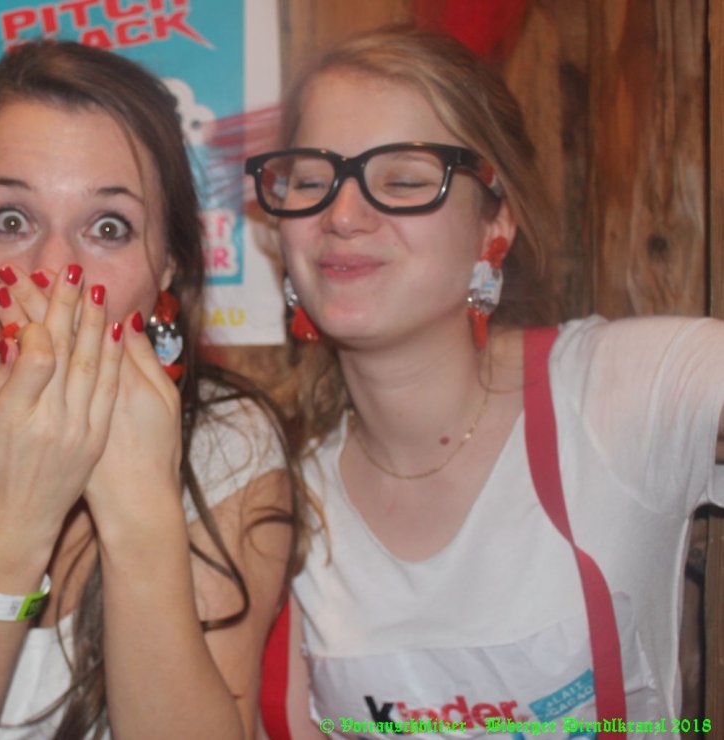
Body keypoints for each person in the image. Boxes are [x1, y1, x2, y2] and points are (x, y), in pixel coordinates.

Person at [0, 40, 298, 739]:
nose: (54, 269)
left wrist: (140, 515)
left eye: (108, 227)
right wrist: (14, 521)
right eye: (11, 220)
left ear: (166, 266)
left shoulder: (230, 441)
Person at [245, 25, 724, 738]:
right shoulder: (277, 487)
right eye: (312, 182)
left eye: (404, 180)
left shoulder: (617, 390)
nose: (341, 216)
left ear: (494, 224)